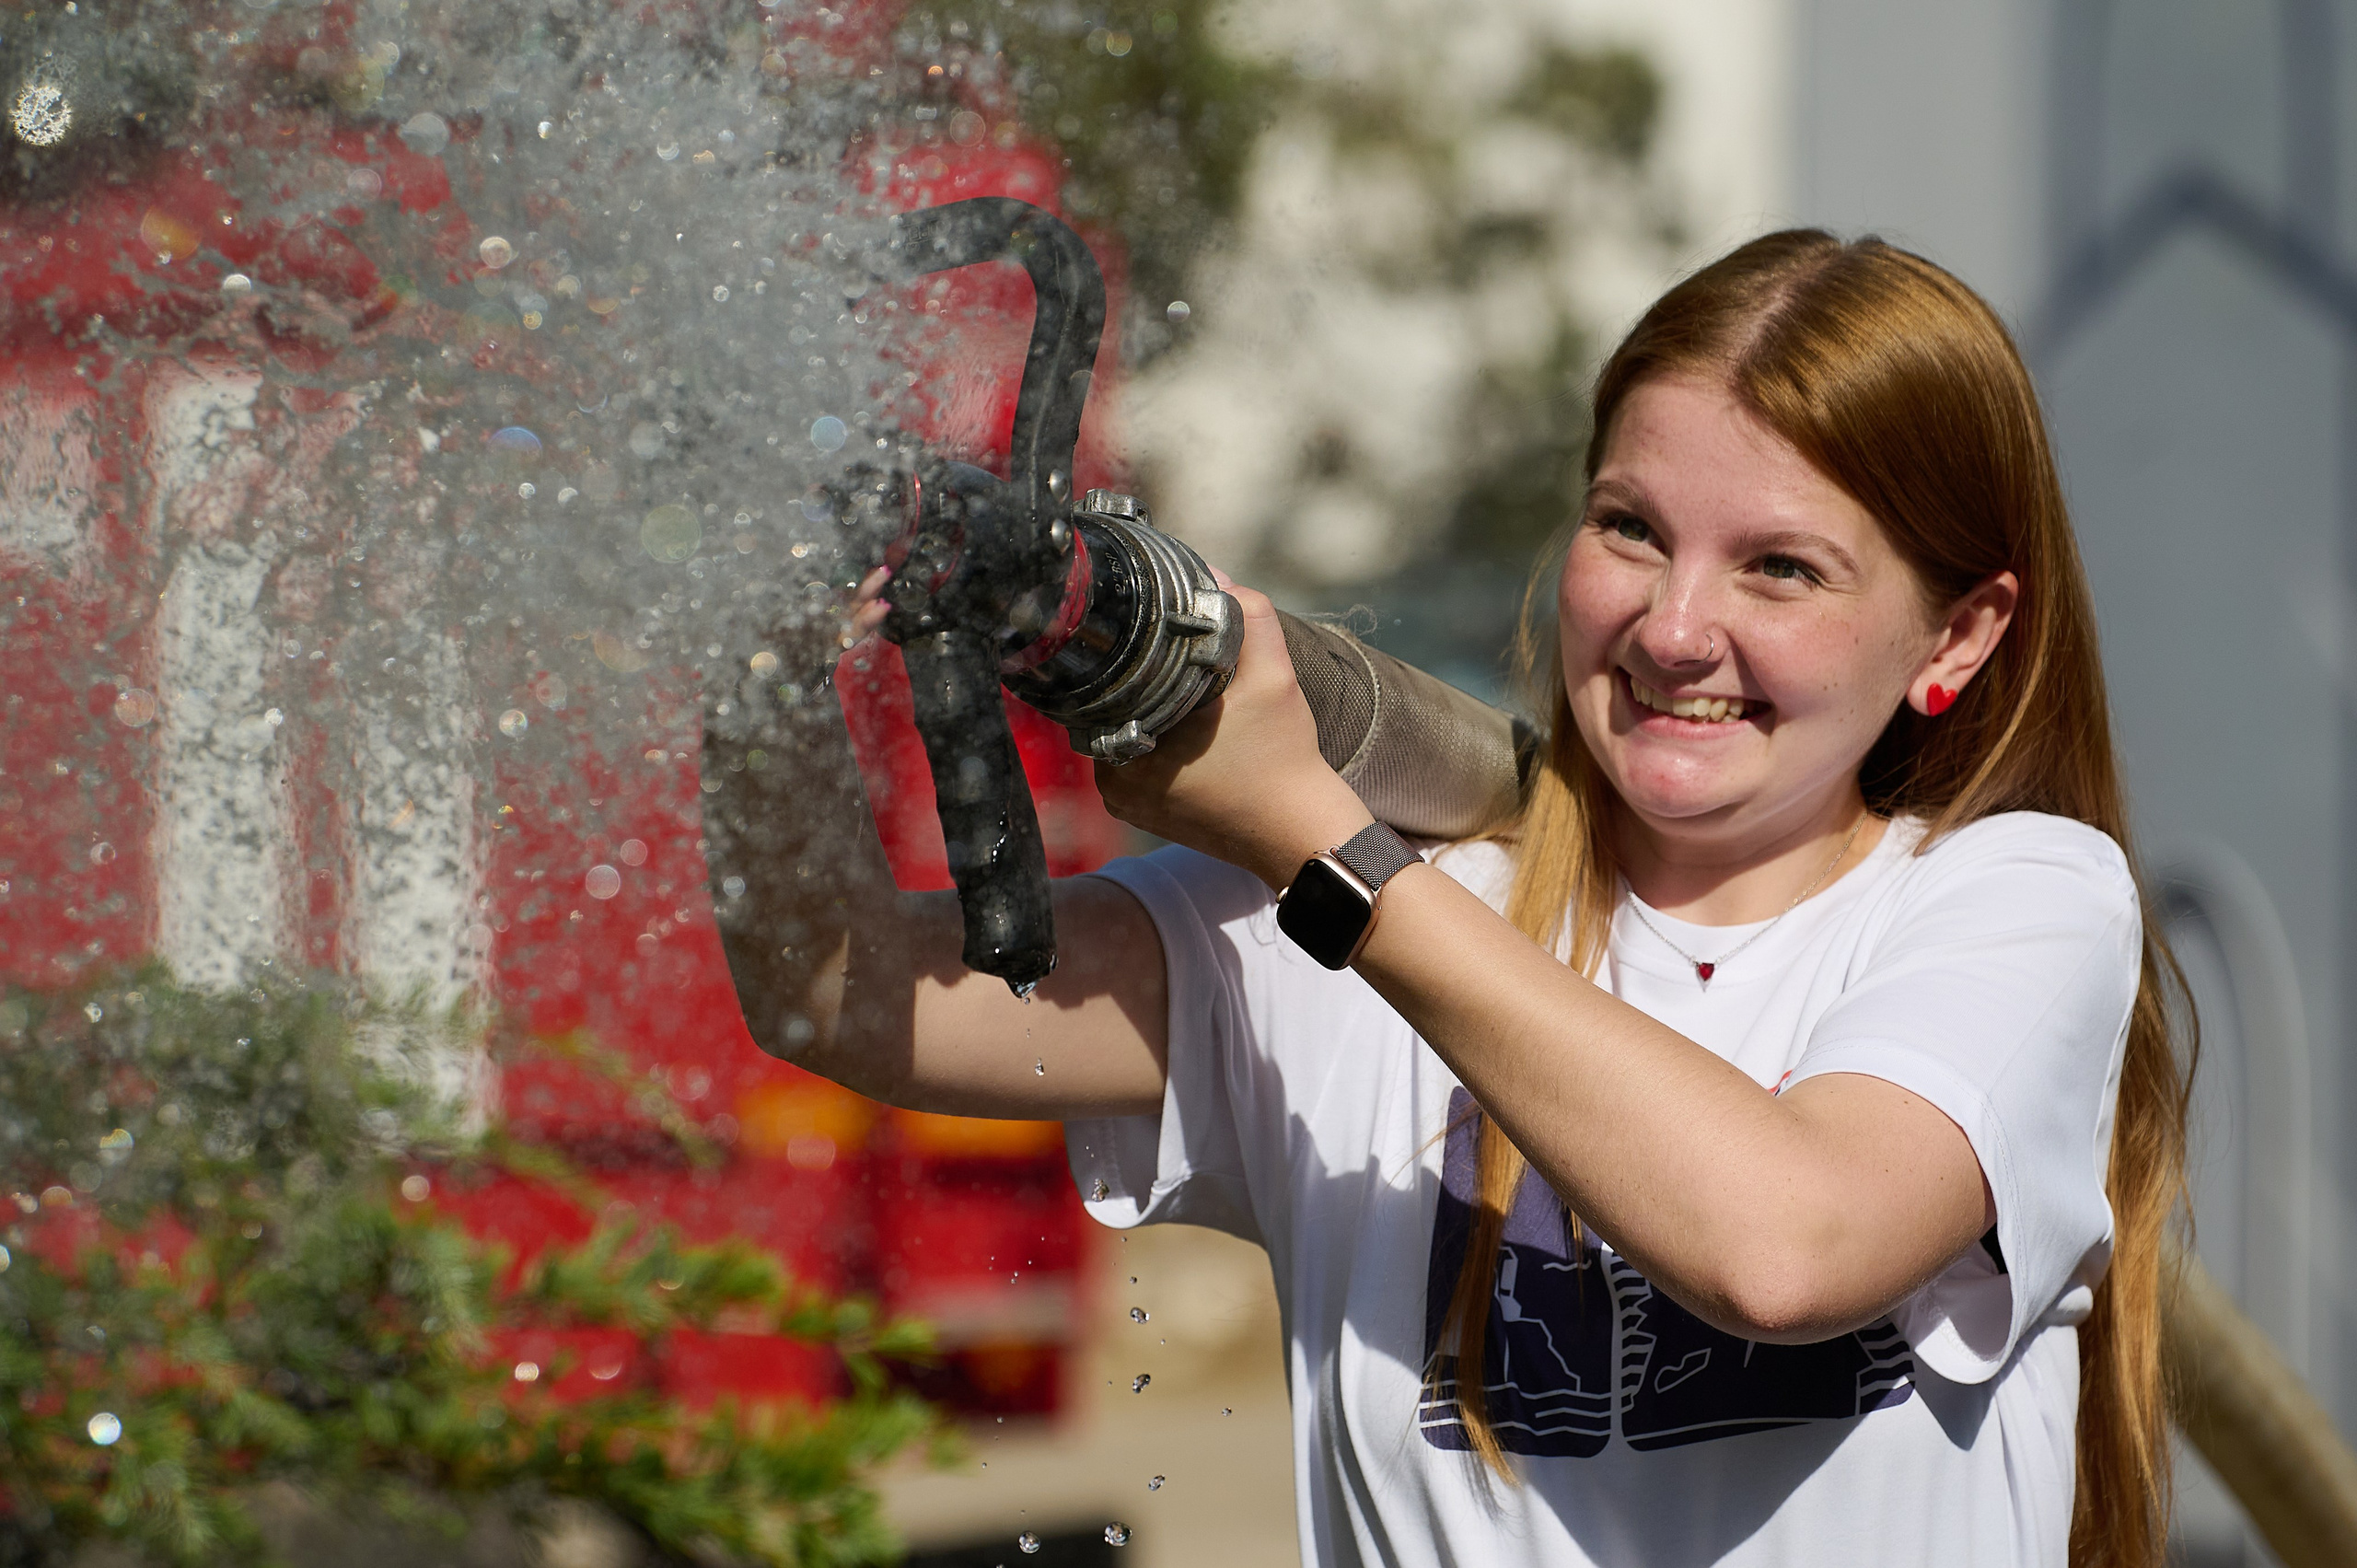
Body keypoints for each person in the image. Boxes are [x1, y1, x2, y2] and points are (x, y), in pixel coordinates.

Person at [702, 230, 2189, 1568]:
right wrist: (746, 611)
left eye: (1781, 569)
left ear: (1960, 634)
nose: (1677, 629)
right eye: (1632, 529)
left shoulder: (2017, 902)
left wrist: (1317, 849)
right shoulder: (1369, 904)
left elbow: (1785, 1252)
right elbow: (831, 985)